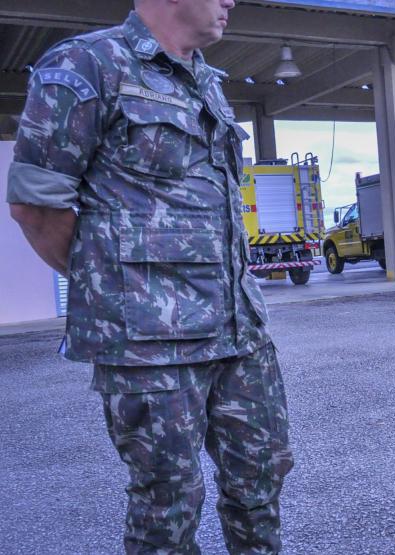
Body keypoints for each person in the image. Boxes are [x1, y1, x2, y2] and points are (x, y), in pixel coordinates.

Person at [6, 1, 294, 552]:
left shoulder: (207, 82)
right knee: (167, 500)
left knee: (262, 474)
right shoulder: (88, 65)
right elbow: (38, 207)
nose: (230, 1)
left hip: (240, 329)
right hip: (150, 341)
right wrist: (126, 287)